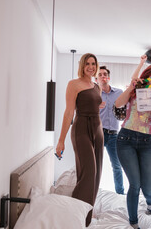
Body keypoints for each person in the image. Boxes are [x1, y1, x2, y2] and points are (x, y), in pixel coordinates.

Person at [55, 53, 104, 227]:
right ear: (82, 65)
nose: (91, 66)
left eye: (93, 63)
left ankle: (86, 217)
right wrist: (61, 141)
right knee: (88, 173)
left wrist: (98, 103)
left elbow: (95, 104)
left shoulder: (96, 86)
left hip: (98, 130)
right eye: (87, 64)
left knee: (97, 174)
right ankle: (75, 218)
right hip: (82, 128)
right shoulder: (74, 84)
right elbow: (69, 112)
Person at [115, 61, 151, 229]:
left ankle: (150, 204)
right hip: (125, 140)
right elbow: (117, 103)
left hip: (146, 142)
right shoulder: (135, 90)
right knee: (135, 185)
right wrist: (131, 87)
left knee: (149, 187)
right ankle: (134, 222)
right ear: (148, 75)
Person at [96, 66, 125, 195]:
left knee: (117, 166)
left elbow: (127, 108)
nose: (103, 76)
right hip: (98, 134)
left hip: (114, 135)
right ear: (96, 79)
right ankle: (93, 192)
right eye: (100, 75)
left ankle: (120, 193)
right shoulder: (94, 94)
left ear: (109, 77)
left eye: (105, 74)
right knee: (96, 165)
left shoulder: (119, 92)